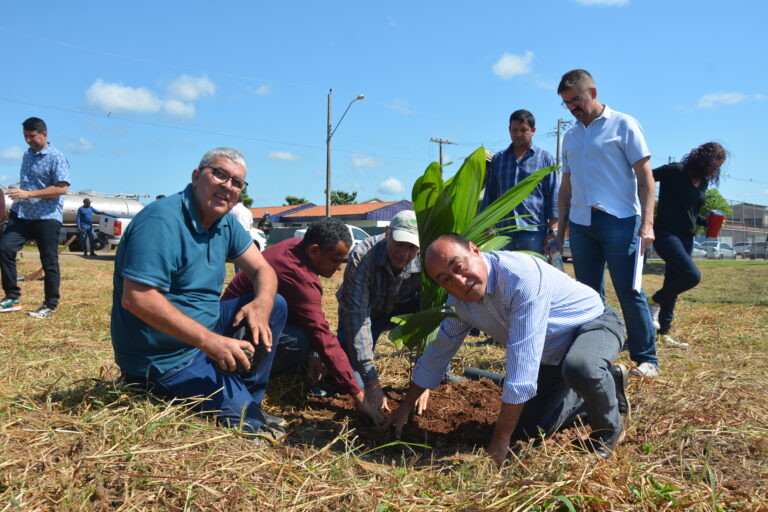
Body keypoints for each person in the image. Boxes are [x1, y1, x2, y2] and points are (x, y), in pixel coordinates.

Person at [384, 234, 630, 464]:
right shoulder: (460, 303)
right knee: (529, 431)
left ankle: (608, 429)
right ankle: (601, 387)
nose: (459, 281)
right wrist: (404, 408)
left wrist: (500, 441)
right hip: (551, 357)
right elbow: (439, 352)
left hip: (592, 325)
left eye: (459, 267)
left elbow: (522, 365)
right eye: (446, 279)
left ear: (475, 251)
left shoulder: (520, 279)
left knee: (582, 367)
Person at [111, 148, 288, 436]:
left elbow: (263, 270)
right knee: (252, 429)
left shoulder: (225, 221)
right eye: (219, 174)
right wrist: (211, 343)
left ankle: (249, 398)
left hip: (205, 332)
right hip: (162, 356)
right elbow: (137, 298)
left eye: (237, 182)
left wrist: (262, 303)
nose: (227, 186)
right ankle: (152, 389)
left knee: (276, 304)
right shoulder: (162, 221)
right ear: (196, 176)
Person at [222, 217, 385, 424]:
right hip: (233, 331)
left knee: (305, 341)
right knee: (299, 342)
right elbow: (323, 337)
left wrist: (315, 353)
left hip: (239, 318)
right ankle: (245, 397)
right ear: (315, 250)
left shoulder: (295, 247)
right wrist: (359, 396)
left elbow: (306, 319)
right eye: (335, 260)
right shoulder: (298, 275)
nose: (338, 269)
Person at [553, 69, 658, 378]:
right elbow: (566, 188)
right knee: (587, 295)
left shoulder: (623, 124)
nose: (572, 107)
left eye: (576, 99)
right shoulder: (571, 136)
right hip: (582, 224)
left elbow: (646, 178)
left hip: (621, 220)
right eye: (566, 103)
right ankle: (594, 355)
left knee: (629, 291)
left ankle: (646, 358)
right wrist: (561, 233)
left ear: (593, 93)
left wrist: (648, 223)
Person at [336, 210, 434, 414]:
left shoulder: (427, 258)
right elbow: (358, 319)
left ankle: (442, 372)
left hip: (402, 307)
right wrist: (372, 384)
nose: (404, 254)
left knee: (433, 314)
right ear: (388, 233)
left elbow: (431, 314)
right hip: (366, 311)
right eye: (399, 244)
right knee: (353, 376)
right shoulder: (363, 256)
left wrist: (427, 375)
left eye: (411, 247)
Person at [648, 142, 727, 347]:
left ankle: (664, 333)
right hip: (666, 234)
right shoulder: (676, 170)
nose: (715, 170)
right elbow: (644, 177)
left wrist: (708, 222)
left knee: (673, 283)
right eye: (714, 164)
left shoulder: (702, 183)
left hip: (687, 237)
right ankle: (654, 300)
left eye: (718, 167)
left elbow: (691, 213)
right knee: (691, 276)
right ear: (704, 158)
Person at [0, 117, 70, 318]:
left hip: (46, 217)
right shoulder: (27, 154)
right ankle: (12, 297)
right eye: (25, 136)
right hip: (22, 214)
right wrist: (18, 193)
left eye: (32, 136)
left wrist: (29, 194)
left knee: (49, 261)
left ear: (44, 134)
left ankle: (50, 305)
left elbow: (62, 187)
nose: (28, 140)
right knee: (4, 247)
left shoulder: (56, 157)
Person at [480, 109, 559, 254]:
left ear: (533, 130)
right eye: (514, 130)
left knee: (533, 274)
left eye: (523, 130)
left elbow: (553, 195)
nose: (518, 135)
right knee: (504, 274)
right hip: (503, 232)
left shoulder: (545, 158)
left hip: (534, 231)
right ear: (509, 129)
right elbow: (490, 195)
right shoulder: (498, 159)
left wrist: (553, 229)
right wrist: (486, 228)